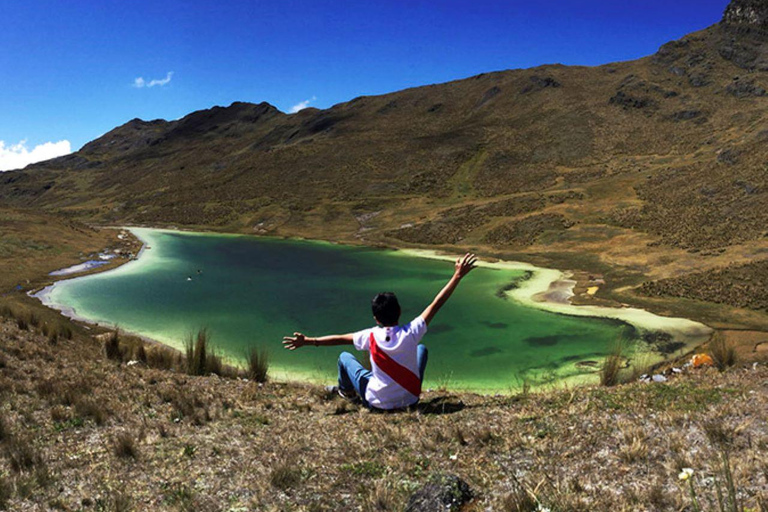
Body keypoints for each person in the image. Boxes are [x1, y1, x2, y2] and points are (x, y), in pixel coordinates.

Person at [282, 253, 478, 411]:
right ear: (400, 311)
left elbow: (339, 339)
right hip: (410, 400)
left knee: (344, 356)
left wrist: (308, 340)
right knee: (421, 349)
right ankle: (400, 390)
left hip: (376, 404)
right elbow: (436, 304)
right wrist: (457, 276)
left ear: (376, 318)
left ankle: (346, 393)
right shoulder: (412, 331)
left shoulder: (370, 336)